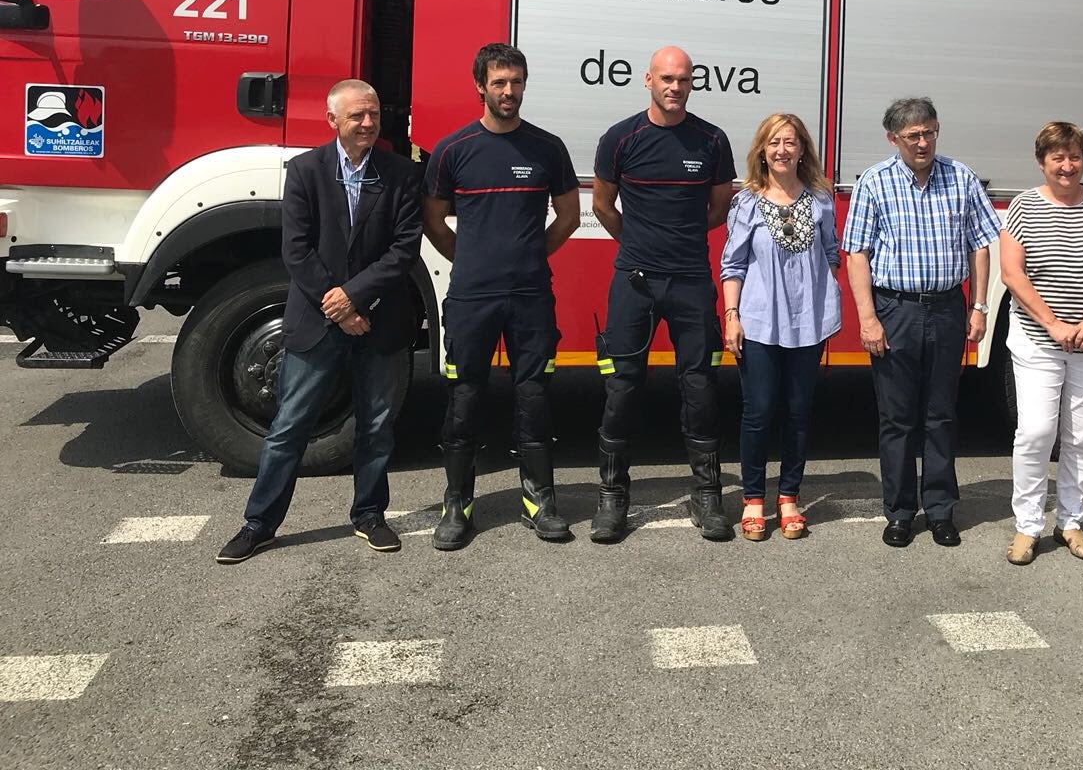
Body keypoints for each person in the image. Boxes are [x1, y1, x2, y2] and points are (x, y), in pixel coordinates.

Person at [217, 81, 422, 564]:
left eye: (372, 114)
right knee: (289, 426)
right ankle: (258, 525)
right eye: (356, 116)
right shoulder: (305, 171)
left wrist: (353, 299)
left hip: (378, 320)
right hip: (318, 322)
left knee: (376, 426)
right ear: (333, 121)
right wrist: (338, 306)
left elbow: (404, 249)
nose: (368, 123)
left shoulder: (401, 174)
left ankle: (370, 515)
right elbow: (296, 249)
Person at [422, 43, 581, 551]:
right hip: (472, 297)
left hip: (531, 294)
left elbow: (570, 217)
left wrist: (531, 254)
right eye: (499, 83)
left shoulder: (548, 147)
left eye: (516, 82)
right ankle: (457, 504)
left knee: (533, 396)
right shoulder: (453, 150)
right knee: (464, 396)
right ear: (481, 87)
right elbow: (433, 221)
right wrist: (471, 260)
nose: (509, 91)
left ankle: (540, 501)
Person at [591, 46, 736, 543]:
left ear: (692, 83)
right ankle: (612, 497)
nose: (675, 87)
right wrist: (637, 243)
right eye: (667, 79)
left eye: (684, 80)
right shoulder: (620, 138)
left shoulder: (712, 140)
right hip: (634, 280)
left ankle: (707, 494)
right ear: (648, 80)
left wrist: (678, 243)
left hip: (691, 280)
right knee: (622, 386)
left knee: (698, 385)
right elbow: (604, 204)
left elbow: (718, 208)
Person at [843, 98, 1001, 549]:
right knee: (896, 419)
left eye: (929, 132)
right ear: (893, 138)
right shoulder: (875, 182)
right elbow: (857, 253)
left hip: (948, 309)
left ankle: (940, 510)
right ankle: (898, 512)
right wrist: (868, 318)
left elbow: (981, 244)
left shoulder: (960, 177)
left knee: (941, 415)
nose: (923, 142)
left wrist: (980, 306)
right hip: (895, 310)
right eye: (913, 135)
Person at [998, 122, 1083, 566]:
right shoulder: (1023, 207)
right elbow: (1012, 274)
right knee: (1036, 433)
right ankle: (1027, 527)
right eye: (1057, 157)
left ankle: (1071, 521)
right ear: (1042, 162)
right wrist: (1053, 324)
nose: (1067, 165)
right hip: (1040, 341)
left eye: (1074, 156)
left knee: (1082, 436)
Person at [721, 114, 842, 541]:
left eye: (790, 142)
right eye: (774, 142)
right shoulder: (747, 202)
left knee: (797, 412)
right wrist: (731, 316)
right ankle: (753, 499)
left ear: (802, 149)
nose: (782, 150)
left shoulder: (822, 200)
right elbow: (732, 264)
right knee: (758, 413)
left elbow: (832, 255)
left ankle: (788, 497)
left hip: (807, 325)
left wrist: (822, 303)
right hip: (756, 322)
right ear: (762, 150)